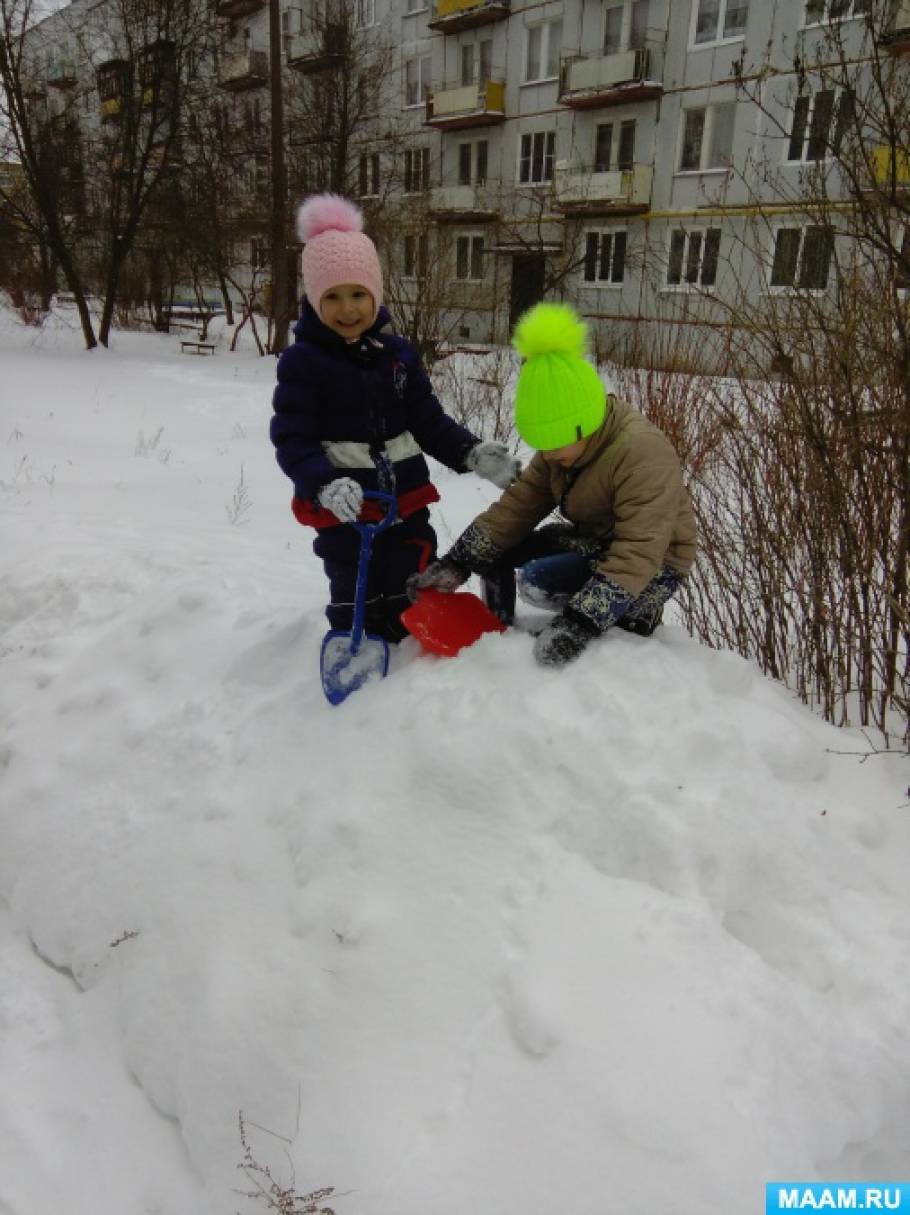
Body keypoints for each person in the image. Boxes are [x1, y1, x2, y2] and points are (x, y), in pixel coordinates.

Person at [270, 193, 520, 642]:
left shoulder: (398, 356)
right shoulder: (302, 363)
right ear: (313, 298)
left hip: (405, 501)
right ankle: (358, 650)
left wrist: (470, 453)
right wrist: (325, 484)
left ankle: (407, 647)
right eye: (333, 297)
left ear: (376, 294)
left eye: (358, 294)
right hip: (345, 507)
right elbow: (292, 438)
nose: (349, 309)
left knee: (409, 578)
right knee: (355, 588)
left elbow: (427, 419)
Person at [408, 302, 697, 666]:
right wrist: (458, 563)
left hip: (655, 563)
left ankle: (633, 618)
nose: (549, 456)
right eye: (543, 446)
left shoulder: (641, 453)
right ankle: (498, 630)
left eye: (556, 446)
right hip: (596, 541)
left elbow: (640, 549)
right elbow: (517, 508)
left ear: (584, 423)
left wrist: (578, 623)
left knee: (538, 581)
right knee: (499, 551)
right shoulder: (560, 447)